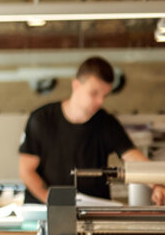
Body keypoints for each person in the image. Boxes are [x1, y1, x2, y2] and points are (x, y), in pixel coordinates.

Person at [18, 56, 165, 205]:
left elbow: (132, 156)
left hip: (93, 213)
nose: (100, 101)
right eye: (94, 93)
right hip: (43, 211)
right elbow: (27, 170)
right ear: (76, 85)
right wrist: (52, 202)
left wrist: (156, 184)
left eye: (104, 96)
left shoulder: (106, 123)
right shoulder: (42, 119)